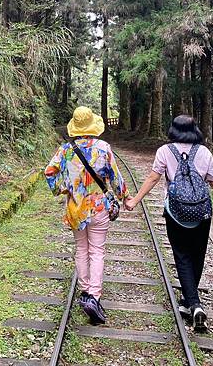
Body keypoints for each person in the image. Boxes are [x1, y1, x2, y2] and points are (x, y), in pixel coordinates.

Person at [125, 115, 213, 332]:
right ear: (194, 130)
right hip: (202, 212)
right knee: (197, 255)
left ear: (173, 130)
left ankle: (193, 304)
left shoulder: (165, 151)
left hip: (176, 212)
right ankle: (188, 300)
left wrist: (135, 200)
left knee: (181, 255)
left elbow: (153, 178)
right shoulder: (204, 152)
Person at [45, 106, 130, 325]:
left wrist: (65, 188)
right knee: (97, 251)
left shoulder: (66, 149)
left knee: (81, 249)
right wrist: (124, 197)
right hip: (99, 207)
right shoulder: (103, 148)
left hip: (76, 208)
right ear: (93, 125)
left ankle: (84, 291)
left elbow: (49, 172)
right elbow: (115, 177)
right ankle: (94, 295)